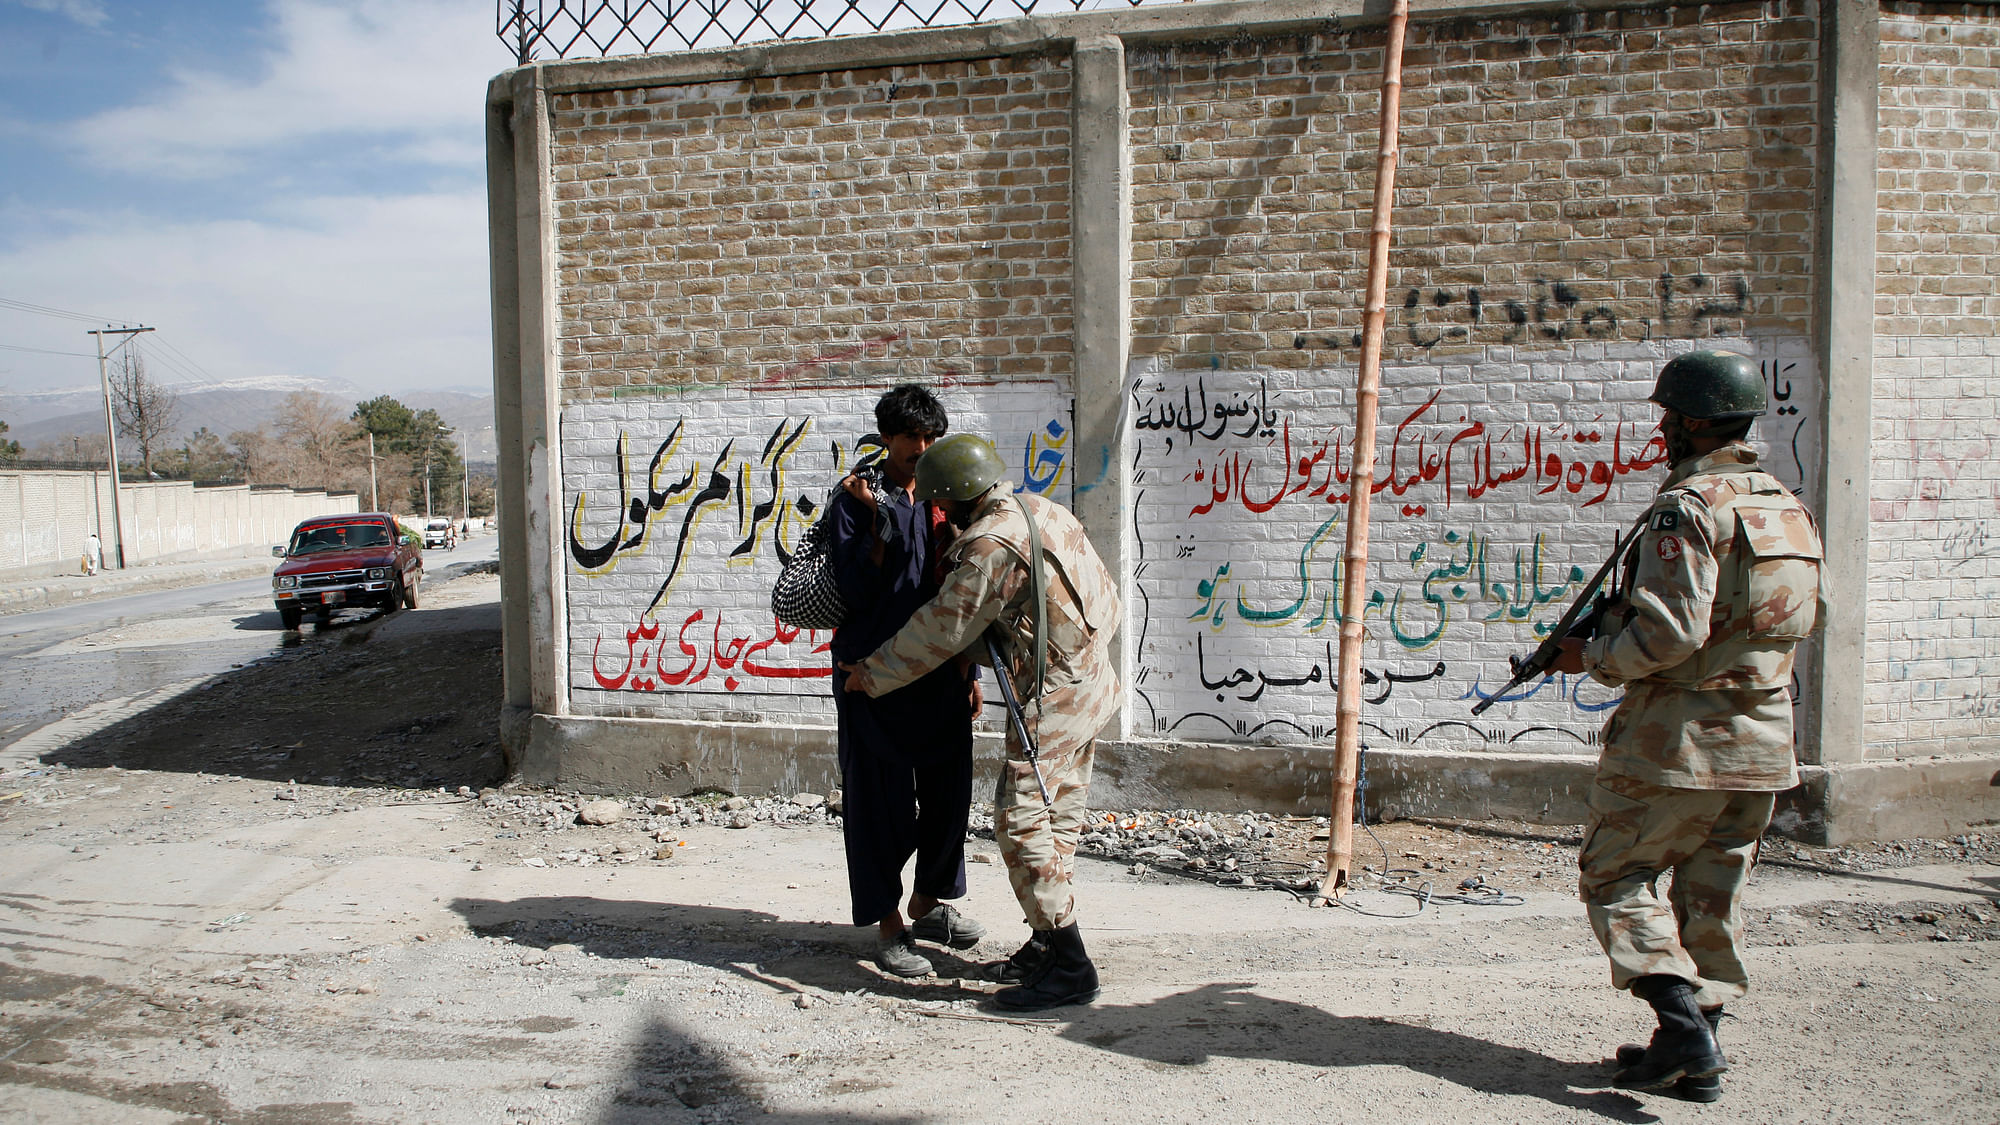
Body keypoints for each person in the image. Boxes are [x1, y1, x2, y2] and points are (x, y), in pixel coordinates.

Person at [1554, 350, 1826, 1103]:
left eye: (1673, 415)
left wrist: (1594, 657)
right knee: (1710, 896)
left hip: (1679, 743)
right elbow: (1810, 617)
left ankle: (1679, 1024)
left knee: (1615, 875)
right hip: (1764, 741)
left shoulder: (1689, 506)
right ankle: (1693, 1050)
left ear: (1700, 422)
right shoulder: (1786, 506)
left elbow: (1669, 634)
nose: (1665, 427)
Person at [840, 433, 1122, 1011]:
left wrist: (870, 674)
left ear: (954, 499)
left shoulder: (991, 545)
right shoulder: (1039, 509)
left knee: (1020, 822)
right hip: (1093, 682)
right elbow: (1109, 597)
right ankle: (1046, 943)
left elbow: (940, 631)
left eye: (940, 505)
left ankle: (1070, 965)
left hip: (1055, 699)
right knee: (1055, 818)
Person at [827, 385, 986, 978]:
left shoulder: (950, 492)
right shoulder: (856, 499)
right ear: (886, 436)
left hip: (939, 668)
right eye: (908, 437)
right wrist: (874, 523)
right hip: (870, 673)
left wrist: (968, 669)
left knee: (950, 793)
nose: (919, 447)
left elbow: (963, 591)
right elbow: (855, 592)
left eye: (929, 437)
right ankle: (889, 924)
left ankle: (928, 904)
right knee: (878, 801)